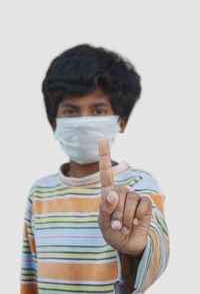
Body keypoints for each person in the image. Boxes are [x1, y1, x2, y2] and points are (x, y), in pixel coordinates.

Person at [20, 44, 169, 294]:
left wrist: (135, 246)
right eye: (70, 110)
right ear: (53, 122)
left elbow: (156, 241)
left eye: (98, 110)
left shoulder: (138, 185)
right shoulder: (39, 193)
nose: (83, 122)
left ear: (121, 121)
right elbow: (30, 277)